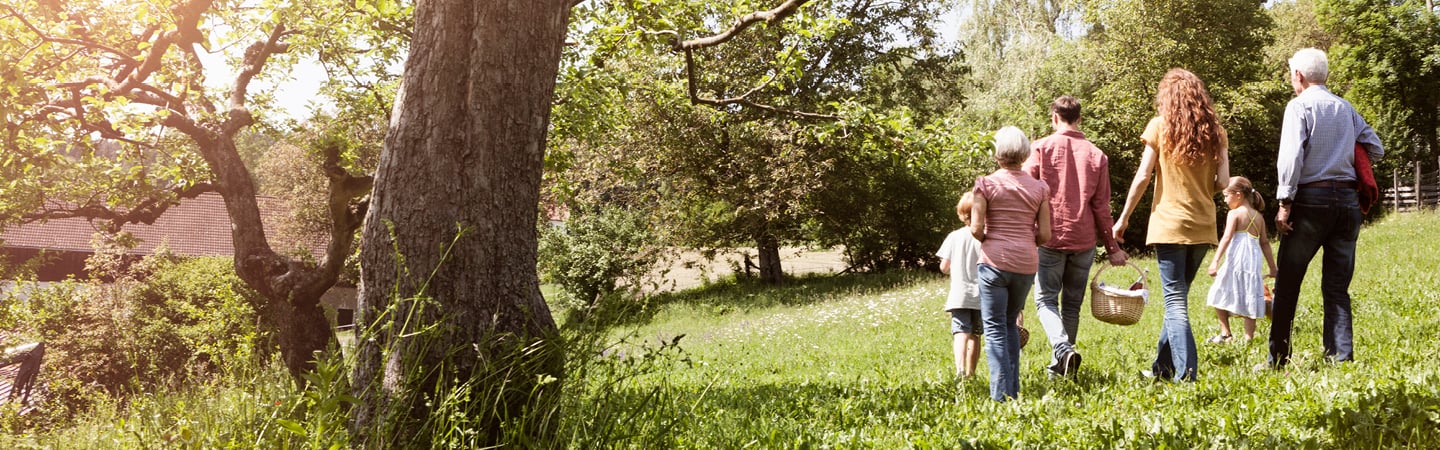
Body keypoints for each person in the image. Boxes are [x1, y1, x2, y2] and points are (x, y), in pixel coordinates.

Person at [1269, 48, 1383, 369]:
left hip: (1310, 202)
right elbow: (1376, 147)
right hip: (1347, 204)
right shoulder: (1345, 109)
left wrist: (1284, 203)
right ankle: (1340, 358)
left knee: (1288, 283)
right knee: (1337, 287)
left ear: (1299, 76)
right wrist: (1347, 153)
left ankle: (1278, 359)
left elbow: (1291, 158)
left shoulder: (1298, 107)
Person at [1113, 68, 1230, 382]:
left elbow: (1142, 177)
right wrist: (1201, 182)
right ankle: (1161, 369)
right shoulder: (1216, 131)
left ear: (1166, 97)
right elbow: (1224, 181)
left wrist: (1123, 219)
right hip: (1203, 225)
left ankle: (1187, 375)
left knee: (1175, 301)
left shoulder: (1159, 127)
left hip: (1169, 224)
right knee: (1177, 299)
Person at [1023, 95, 1129, 378]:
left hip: (1049, 238)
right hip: (1083, 241)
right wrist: (1113, 248)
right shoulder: (1097, 155)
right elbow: (1101, 207)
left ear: (1054, 117)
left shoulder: (1040, 148)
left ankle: (1062, 350)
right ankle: (1063, 368)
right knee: (1071, 304)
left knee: (1045, 300)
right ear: (1080, 119)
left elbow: (1025, 191)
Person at [971, 126, 1052, 401]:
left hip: (994, 262)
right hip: (1026, 264)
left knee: (993, 327)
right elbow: (1045, 234)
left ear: (996, 153)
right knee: (1009, 325)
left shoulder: (985, 184)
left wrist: (988, 239)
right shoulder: (1040, 187)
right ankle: (1012, 391)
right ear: (1024, 153)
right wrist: (1024, 243)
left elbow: (975, 227)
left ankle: (1000, 396)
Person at [1205, 176, 1278, 343]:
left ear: (1238, 195)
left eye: (1226, 195)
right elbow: (1265, 243)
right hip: (1252, 263)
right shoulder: (1258, 217)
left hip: (1236, 261)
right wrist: (1273, 268)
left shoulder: (1235, 214)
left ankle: (1226, 333)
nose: (1224, 200)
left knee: (1218, 291)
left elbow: (1226, 238)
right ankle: (1248, 338)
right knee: (1250, 295)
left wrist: (1215, 261)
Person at [938, 192, 983, 379]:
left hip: (959, 294)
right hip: (981, 295)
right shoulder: (984, 236)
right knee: (976, 335)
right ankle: (971, 372)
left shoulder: (954, 236)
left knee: (960, 332)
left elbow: (944, 267)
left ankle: (959, 370)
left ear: (961, 214)